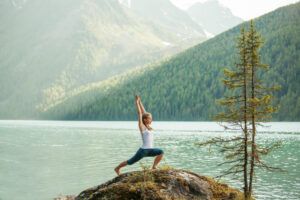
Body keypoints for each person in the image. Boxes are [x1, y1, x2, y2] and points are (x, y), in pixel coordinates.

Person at [114, 95, 164, 175]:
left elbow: (144, 112)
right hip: (143, 151)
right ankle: (117, 168)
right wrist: (137, 103)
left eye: (151, 118)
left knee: (161, 152)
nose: (151, 119)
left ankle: (154, 166)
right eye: (150, 118)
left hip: (150, 150)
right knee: (130, 162)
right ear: (145, 120)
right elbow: (140, 113)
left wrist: (140, 102)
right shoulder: (142, 127)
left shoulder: (148, 127)